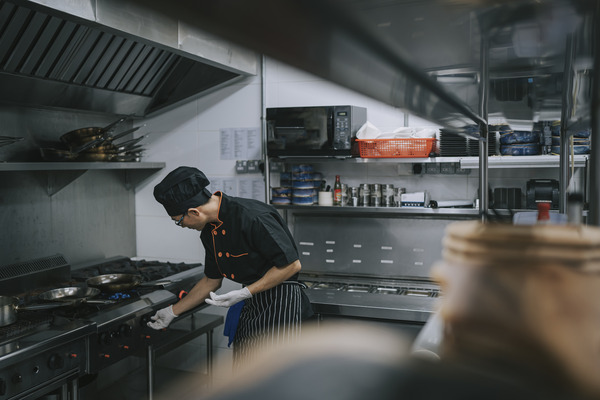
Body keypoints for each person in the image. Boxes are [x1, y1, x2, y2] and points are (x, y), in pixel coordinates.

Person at [148, 166, 309, 364]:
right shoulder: (209, 232)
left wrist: (245, 292)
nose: (182, 226)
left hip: (281, 303)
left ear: (194, 212)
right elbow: (211, 281)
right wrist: (172, 311)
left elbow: (291, 265)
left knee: (272, 377)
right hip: (253, 304)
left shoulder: (252, 216)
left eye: (179, 221)